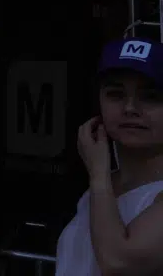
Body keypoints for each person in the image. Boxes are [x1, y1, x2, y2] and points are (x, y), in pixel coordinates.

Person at [55, 36, 163, 276]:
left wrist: (98, 176)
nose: (130, 108)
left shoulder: (101, 181)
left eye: (151, 96)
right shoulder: (103, 184)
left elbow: (119, 263)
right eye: (116, 94)